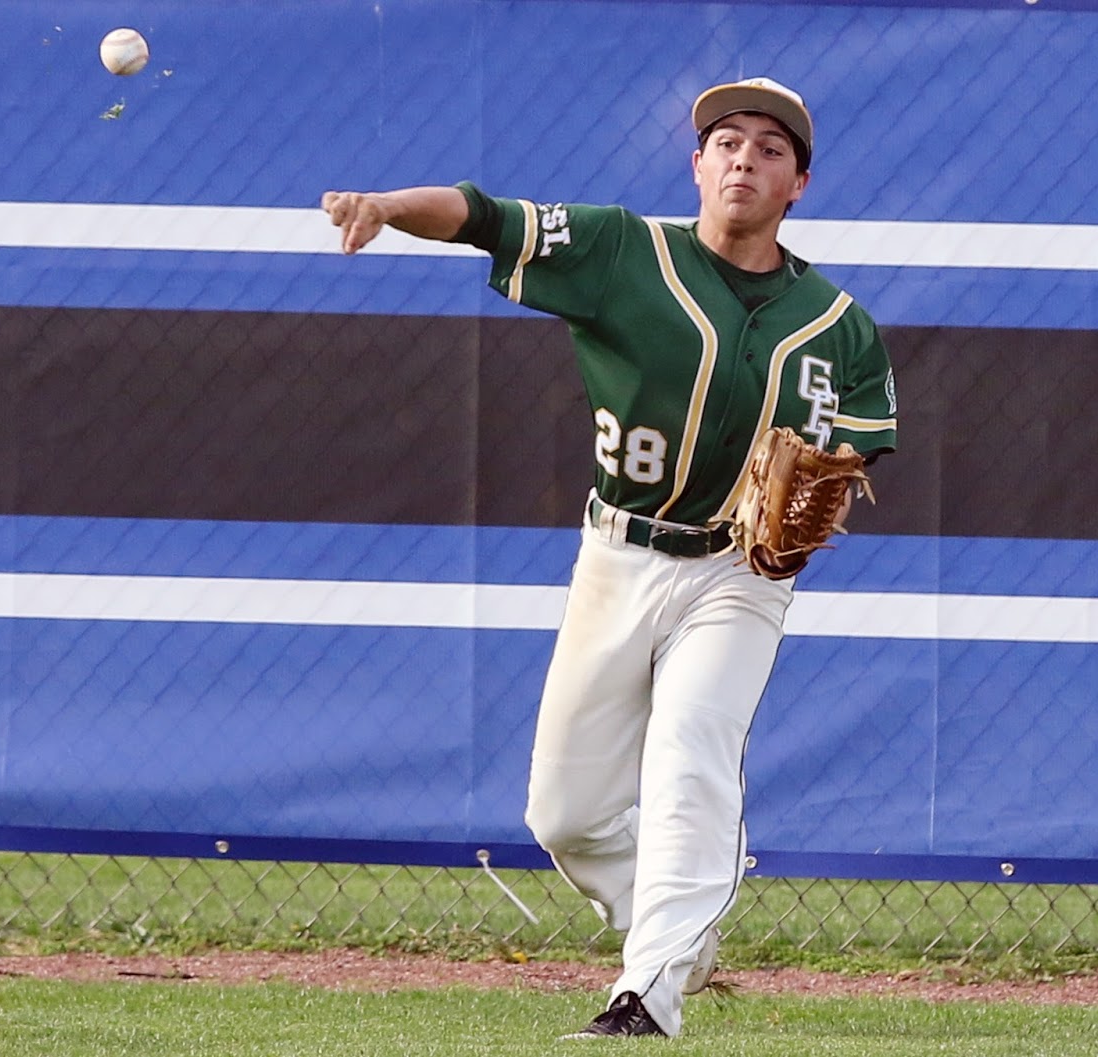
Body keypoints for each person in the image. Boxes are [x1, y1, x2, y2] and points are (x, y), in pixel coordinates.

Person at [322, 76, 897, 1039]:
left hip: (737, 575)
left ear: (799, 183)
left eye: (770, 149)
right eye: (727, 143)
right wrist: (385, 206)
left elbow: (857, 452)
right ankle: (677, 929)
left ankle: (648, 991)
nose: (745, 160)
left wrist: (821, 500)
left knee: (689, 759)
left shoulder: (839, 327)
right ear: (697, 165)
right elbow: (485, 217)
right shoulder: (624, 251)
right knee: (565, 812)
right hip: (618, 554)